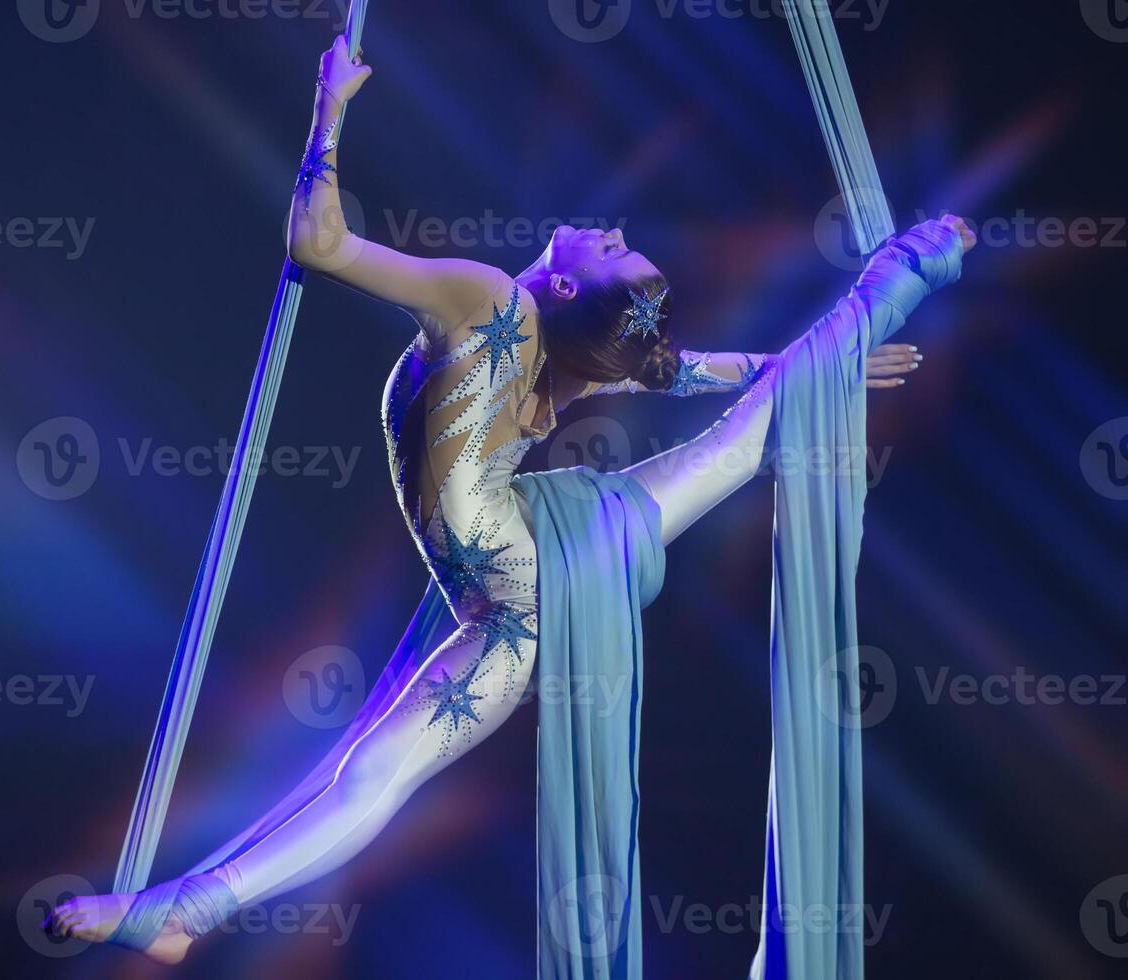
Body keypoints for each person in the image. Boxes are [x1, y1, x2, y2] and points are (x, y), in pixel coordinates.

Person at [47, 35, 975, 963]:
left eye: (611, 247)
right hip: (527, 594)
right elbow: (693, 371)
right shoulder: (568, 364)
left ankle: (892, 285)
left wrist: (329, 110)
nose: (607, 228)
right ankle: (186, 914)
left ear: (566, 282)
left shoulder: (488, 304)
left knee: (371, 776)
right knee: (731, 452)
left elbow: (315, 241)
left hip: (532, 570)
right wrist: (810, 369)